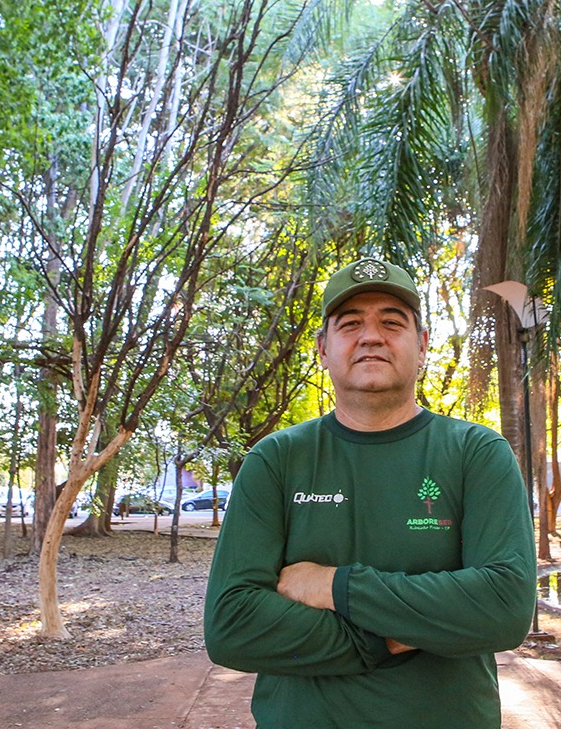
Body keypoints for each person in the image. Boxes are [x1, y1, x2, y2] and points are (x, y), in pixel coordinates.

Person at [204, 257, 536, 729]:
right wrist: (388, 636)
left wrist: (334, 586)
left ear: (422, 346)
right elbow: (232, 627)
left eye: (392, 322)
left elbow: (503, 608)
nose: (372, 336)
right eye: (351, 323)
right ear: (323, 348)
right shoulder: (275, 461)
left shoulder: (476, 453)